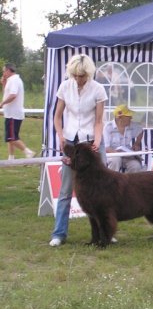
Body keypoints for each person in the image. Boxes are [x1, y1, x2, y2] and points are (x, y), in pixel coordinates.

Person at [49, 54, 108, 247]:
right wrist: (60, 136)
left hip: (92, 141)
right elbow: (57, 117)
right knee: (66, 190)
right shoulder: (65, 87)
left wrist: (97, 142)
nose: (78, 79)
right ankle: (59, 234)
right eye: (75, 75)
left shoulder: (98, 89)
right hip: (71, 143)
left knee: (103, 190)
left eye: (82, 75)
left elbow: (99, 121)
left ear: (88, 73)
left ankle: (106, 233)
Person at [1, 63, 35, 159]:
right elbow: (7, 93)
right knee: (10, 137)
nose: (3, 73)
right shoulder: (11, 80)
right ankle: (11, 157)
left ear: (8, 70)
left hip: (13, 114)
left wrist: (2, 103)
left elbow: (13, 95)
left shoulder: (14, 80)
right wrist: (4, 84)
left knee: (12, 137)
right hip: (10, 114)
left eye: (4, 71)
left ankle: (28, 152)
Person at [103, 104, 144, 173]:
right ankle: (112, 183)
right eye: (128, 116)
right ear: (120, 118)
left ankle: (130, 183)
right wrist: (119, 154)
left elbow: (141, 131)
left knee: (136, 165)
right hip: (113, 154)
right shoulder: (108, 127)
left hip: (127, 154)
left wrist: (137, 143)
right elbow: (106, 148)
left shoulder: (132, 125)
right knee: (116, 160)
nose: (131, 118)